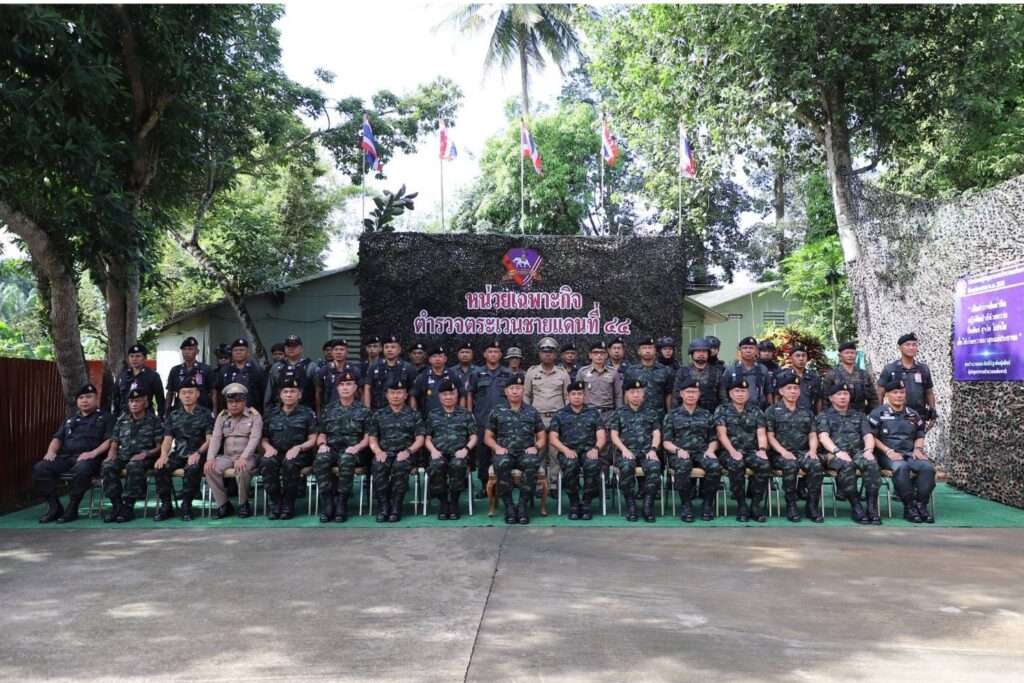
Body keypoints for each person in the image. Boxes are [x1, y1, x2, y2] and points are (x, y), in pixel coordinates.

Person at [32, 383, 113, 524]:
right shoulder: (70, 419)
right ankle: (54, 507)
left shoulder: (106, 417)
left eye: (89, 397)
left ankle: (73, 507)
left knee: (82, 469)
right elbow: (57, 438)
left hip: (90, 458)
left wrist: (93, 453)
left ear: (96, 398)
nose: (84, 400)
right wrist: (51, 452)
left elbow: (110, 440)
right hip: (66, 457)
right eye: (81, 398)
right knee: (40, 468)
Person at [869, 378, 936, 523]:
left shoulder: (913, 414)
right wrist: (888, 451)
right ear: (887, 395)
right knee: (901, 467)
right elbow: (871, 437)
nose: (899, 395)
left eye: (902, 392)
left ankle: (921, 505)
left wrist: (918, 449)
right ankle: (909, 507)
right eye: (895, 392)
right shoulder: (878, 413)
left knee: (927, 468)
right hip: (886, 455)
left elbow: (920, 434)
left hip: (910, 453)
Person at [485, 373, 546, 525]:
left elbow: (542, 437)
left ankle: (523, 505)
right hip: (505, 452)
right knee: (502, 463)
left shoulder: (532, 411)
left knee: (532, 462)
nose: (515, 391)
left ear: (523, 390)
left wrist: (536, 447)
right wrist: (496, 447)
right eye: (512, 388)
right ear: (506, 391)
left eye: (518, 388)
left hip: (525, 453)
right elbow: (488, 437)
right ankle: (509, 506)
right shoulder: (497, 411)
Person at [816, 381, 880, 524]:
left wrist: (869, 451)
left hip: (857, 452)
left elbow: (868, 435)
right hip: (833, 454)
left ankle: (872, 507)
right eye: (839, 394)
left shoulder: (859, 415)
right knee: (846, 465)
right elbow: (823, 437)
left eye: (845, 394)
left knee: (871, 463)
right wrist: (837, 451)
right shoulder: (824, 415)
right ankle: (856, 506)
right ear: (831, 398)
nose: (843, 397)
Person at [765, 370, 823, 523]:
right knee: (790, 465)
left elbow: (812, 434)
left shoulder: (807, 412)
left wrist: (812, 451)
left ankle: (812, 506)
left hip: (802, 452)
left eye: (796, 388)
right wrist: (783, 452)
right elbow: (770, 436)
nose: (793, 391)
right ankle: (791, 505)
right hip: (780, 454)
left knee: (816, 465)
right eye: (789, 388)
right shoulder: (772, 411)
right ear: (781, 391)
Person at [313, 370, 370, 523]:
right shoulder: (328, 409)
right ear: (337, 388)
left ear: (355, 387)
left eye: (349, 384)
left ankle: (341, 502)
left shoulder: (364, 411)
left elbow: (368, 437)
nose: (345, 387)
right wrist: (322, 444)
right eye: (342, 384)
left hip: (355, 452)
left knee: (346, 458)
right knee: (321, 458)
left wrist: (357, 447)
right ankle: (328, 502)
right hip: (332, 449)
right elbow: (322, 433)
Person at [153, 376, 213, 522]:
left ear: (197, 394)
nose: (187, 396)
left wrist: (198, 453)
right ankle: (166, 506)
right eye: (184, 393)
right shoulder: (173, 415)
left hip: (199, 454)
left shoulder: (206, 414)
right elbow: (168, 439)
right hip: (179, 454)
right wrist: (163, 455)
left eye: (190, 392)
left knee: (192, 468)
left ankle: (186, 505)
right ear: (179, 395)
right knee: (160, 467)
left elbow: (210, 439)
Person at [368, 376, 426, 523]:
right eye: (392, 392)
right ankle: (383, 506)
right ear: (387, 395)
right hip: (384, 453)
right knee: (378, 465)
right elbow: (372, 438)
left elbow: (420, 439)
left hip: (406, 454)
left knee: (400, 466)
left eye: (399, 392)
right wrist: (378, 451)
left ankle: (396, 506)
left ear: (406, 395)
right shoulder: (378, 414)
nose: (396, 396)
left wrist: (408, 451)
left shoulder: (414, 414)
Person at [662, 377, 720, 522]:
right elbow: (666, 442)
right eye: (688, 392)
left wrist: (710, 451)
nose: (691, 395)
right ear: (681, 394)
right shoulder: (671, 415)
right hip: (680, 452)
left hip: (702, 452)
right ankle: (686, 505)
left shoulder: (707, 414)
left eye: (694, 392)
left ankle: (707, 504)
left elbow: (713, 439)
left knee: (714, 466)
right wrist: (678, 451)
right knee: (683, 466)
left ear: (699, 394)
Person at [101, 388, 164, 522]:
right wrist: (112, 453)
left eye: (137, 401)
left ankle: (128, 506)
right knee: (107, 466)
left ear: (145, 403)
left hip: (145, 457)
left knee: (134, 465)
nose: (134, 404)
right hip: (124, 455)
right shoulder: (122, 419)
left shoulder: (154, 420)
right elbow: (114, 441)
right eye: (131, 401)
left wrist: (146, 453)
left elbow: (159, 446)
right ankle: (117, 505)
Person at [260, 375, 318, 520]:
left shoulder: (307, 413)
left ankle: (288, 503)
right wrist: (268, 448)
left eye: (293, 391)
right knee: (267, 462)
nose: (289, 395)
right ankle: (275, 502)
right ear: (280, 395)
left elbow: (313, 439)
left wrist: (299, 448)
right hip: (276, 452)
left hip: (300, 454)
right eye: (285, 391)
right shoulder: (271, 414)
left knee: (290, 464)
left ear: (299, 395)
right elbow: (263, 438)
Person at [714, 375, 770, 523]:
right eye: (737, 391)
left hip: (751, 451)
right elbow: (721, 435)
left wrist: (762, 449)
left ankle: (755, 505)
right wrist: (732, 451)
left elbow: (761, 433)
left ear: (748, 393)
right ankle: (741, 504)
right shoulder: (722, 410)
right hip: (728, 451)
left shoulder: (756, 410)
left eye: (743, 391)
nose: (740, 394)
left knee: (764, 464)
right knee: (736, 464)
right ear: (730, 393)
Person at [547, 380, 605, 520]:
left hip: (589, 451)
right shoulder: (560, 414)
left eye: (580, 394)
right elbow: (553, 438)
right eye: (574, 394)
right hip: (568, 451)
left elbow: (602, 436)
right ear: (568, 396)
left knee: (593, 464)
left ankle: (586, 503)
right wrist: (565, 450)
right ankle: (574, 502)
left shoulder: (593, 413)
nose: (577, 397)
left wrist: (596, 449)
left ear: (584, 396)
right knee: (570, 465)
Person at [204, 382, 263, 518]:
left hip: (248, 456)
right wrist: (210, 458)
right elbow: (216, 438)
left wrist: (243, 457)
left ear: (244, 401)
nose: (234, 405)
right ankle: (223, 504)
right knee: (210, 468)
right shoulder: (222, 417)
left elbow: (255, 438)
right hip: (228, 457)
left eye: (237, 401)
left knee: (242, 468)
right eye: (230, 402)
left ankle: (243, 504)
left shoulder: (254, 416)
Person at [609, 378, 662, 523]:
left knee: (654, 467)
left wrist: (653, 449)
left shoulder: (651, 412)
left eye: (639, 392)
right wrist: (624, 450)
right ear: (626, 394)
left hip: (647, 452)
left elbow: (656, 433)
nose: (636, 395)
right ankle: (631, 505)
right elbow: (614, 435)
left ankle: (647, 505)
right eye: (632, 392)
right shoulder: (619, 412)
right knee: (626, 467)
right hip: (626, 452)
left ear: (643, 394)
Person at [425, 378, 478, 520]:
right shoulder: (433, 414)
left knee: (458, 464)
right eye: (445, 394)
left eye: (451, 394)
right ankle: (443, 502)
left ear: (457, 395)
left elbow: (474, 436)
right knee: (436, 465)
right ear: (439, 396)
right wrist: (433, 451)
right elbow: (427, 438)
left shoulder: (466, 414)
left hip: (459, 453)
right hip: (438, 453)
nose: (448, 397)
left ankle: (454, 502)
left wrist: (466, 449)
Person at [523, 337, 570, 494]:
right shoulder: (532, 373)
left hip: (557, 418)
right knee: (539, 451)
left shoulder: (562, 373)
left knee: (555, 452)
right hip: (538, 418)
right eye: (544, 351)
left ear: (555, 354)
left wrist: (566, 417)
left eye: (550, 352)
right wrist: (527, 416)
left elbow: (567, 397)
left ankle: (555, 483)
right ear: (539, 354)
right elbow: (527, 395)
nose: (547, 354)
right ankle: (539, 484)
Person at [467, 340, 512, 497]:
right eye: (490, 351)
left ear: (500, 355)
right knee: (483, 454)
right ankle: (484, 485)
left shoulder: (508, 373)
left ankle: (503, 485)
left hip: (503, 420)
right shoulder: (476, 373)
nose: (493, 354)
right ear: (485, 354)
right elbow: (470, 394)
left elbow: (513, 394)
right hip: (482, 419)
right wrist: (470, 413)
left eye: (496, 352)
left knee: (503, 452)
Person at [876, 332, 936, 428]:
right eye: (907, 345)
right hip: (896, 417)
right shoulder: (890, 369)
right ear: (900, 348)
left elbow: (929, 392)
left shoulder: (923, 369)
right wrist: (878, 413)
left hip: (918, 416)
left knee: (918, 437)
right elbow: (880, 392)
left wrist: (932, 410)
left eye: (914, 345)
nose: (911, 348)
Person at [622, 336, 674, 424]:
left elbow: (668, 395)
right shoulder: (631, 371)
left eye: (650, 348)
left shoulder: (665, 371)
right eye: (644, 348)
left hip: (658, 416)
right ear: (639, 351)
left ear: (655, 351)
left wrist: (669, 414)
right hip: (636, 417)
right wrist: (627, 414)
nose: (647, 351)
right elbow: (626, 394)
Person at [822, 341, 877, 414]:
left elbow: (873, 398)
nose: (850, 355)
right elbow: (825, 398)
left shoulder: (864, 374)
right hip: (838, 415)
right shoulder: (832, 374)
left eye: (852, 353)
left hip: (861, 414)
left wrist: (873, 414)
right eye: (847, 353)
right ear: (840, 355)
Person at [365, 335, 418, 410]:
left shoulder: (408, 368)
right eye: (386, 347)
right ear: (383, 349)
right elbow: (367, 388)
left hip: (401, 412)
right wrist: (367, 409)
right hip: (377, 410)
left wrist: (413, 411)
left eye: (393, 347)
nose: (389, 350)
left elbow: (412, 392)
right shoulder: (374, 366)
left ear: (399, 350)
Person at [265, 334, 316, 412]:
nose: (291, 349)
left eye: (294, 346)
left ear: (301, 348)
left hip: (305, 410)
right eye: (288, 346)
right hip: (280, 411)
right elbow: (269, 392)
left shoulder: (311, 366)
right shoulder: (276, 367)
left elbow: (318, 392)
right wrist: (267, 411)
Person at [112, 343, 165, 418]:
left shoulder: (152, 376)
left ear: (144, 358)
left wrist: (161, 417)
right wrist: (115, 416)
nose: (134, 359)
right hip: (124, 418)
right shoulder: (122, 376)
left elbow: (160, 400)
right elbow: (116, 398)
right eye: (131, 356)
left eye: (138, 356)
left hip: (146, 418)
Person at [214, 338, 266, 414]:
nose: (238, 352)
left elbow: (264, 394)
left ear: (248, 353)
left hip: (252, 412)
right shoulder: (224, 370)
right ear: (232, 353)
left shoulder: (257, 370)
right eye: (235, 350)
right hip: (230, 413)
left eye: (241, 350)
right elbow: (219, 393)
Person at [720, 336, 773, 410]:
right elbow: (723, 389)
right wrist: (727, 405)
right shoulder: (731, 369)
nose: (748, 351)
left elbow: (768, 391)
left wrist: (770, 407)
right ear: (740, 351)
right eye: (745, 348)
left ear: (756, 351)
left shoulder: (763, 369)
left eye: (751, 348)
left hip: (759, 410)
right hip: (737, 410)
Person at [673, 337, 723, 412]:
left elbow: (723, 398)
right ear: (692, 353)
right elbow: (676, 397)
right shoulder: (683, 372)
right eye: (698, 351)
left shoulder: (717, 372)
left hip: (711, 415)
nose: (701, 354)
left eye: (704, 351)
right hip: (688, 415)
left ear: (708, 354)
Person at [577, 339, 622, 422]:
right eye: (595, 353)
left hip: (608, 414)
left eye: (602, 353)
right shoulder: (582, 372)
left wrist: (619, 414)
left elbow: (618, 395)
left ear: (606, 355)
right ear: (590, 355)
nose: (599, 355)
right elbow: (578, 394)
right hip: (588, 413)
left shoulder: (613, 372)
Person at [411, 346, 463, 418]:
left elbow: (462, 395)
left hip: (451, 419)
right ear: (429, 359)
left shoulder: (453, 375)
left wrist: (461, 414)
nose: (437, 359)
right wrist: (414, 414)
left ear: (445, 359)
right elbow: (414, 396)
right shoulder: (423, 376)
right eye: (434, 356)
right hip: (428, 419)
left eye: (440, 356)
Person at [165, 336, 213, 412]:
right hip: (180, 411)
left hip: (202, 411)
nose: (187, 352)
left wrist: (214, 411)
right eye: (184, 349)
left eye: (190, 349)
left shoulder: (206, 369)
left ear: (197, 351)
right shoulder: (175, 370)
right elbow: (170, 392)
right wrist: (166, 411)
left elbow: (213, 392)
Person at [315, 338, 363, 414]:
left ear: (347, 352)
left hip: (352, 411)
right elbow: (318, 392)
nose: (338, 352)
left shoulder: (354, 370)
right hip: (330, 411)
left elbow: (361, 392)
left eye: (342, 349)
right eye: (336, 349)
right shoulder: (324, 370)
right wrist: (318, 413)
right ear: (332, 352)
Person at [784, 344, 822, 413]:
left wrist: (819, 416)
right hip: (787, 416)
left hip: (809, 415)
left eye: (803, 356)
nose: (801, 359)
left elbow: (818, 400)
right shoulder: (783, 376)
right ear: (791, 358)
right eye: (797, 356)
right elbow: (777, 398)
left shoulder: (814, 377)